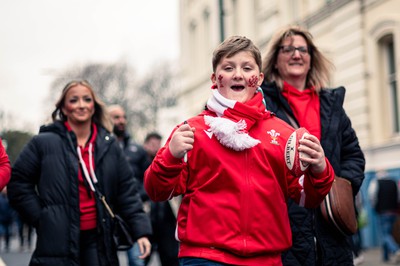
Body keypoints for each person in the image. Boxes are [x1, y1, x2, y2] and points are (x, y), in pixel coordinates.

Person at [144, 35, 335, 265]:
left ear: (260, 78)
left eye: (247, 68)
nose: (238, 74)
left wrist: (321, 168)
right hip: (205, 257)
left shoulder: (282, 134)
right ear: (215, 78)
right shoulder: (191, 131)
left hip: (265, 258)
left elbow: (307, 198)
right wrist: (170, 155)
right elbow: (157, 191)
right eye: (228, 67)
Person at [7, 80, 152, 266]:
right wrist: (42, 218)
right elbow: (18, 184)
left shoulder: (109, 145)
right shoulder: (43, 142)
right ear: (64, 108)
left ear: (94, 106)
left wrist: (141, 232)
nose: (81, 105)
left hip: (99, 240)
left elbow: (127, 192)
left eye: (86, 99)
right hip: (56, 240)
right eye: (74, 100)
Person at [261, 25, 366, 265]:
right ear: (276, 61)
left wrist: (340, 186)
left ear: (311, 59)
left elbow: (354, 155)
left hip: (332, 228)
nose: (296, 54)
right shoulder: (262, 104)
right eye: (288, 49)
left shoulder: (332, 104)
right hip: (283, 227)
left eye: (302, 50)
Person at [108, 104, 151, 266]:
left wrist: (140, 196)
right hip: (109, 214)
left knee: (136, 260)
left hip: (132, 212)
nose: (121, 121)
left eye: (123, 117)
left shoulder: (137, 149)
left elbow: (149, 178)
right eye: (116, 117)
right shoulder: (99, 148)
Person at [144, 132, 179, 266]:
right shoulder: (141, 159)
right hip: (148, 216)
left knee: (169, 255)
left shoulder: (165, 160)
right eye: (152, 144)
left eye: (157, 144)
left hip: (166, 218)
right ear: (146, 144)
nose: (155, 147)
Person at [368, 170, 400, 263]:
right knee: (389, 234)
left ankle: (396, 250)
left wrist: (375, 207)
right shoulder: (394, 182)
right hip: (393, 212)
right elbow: (398, 197)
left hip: (382, 212)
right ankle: (385, 256)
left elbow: (372, 196)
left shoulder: (375, 182)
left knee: (384, 235)